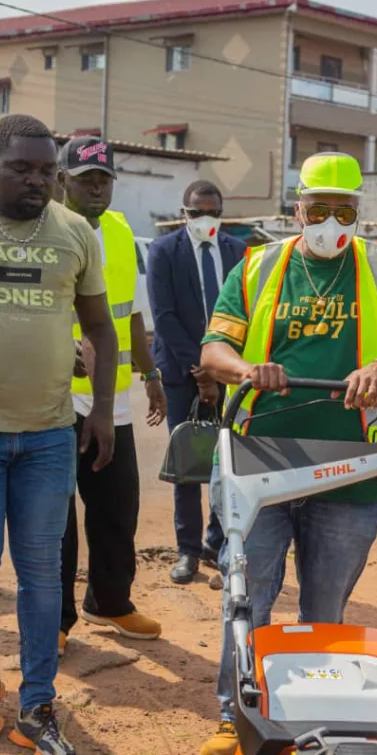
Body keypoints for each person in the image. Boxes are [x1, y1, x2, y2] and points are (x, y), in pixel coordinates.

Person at [198, 152, 377, 755]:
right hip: (261, 456)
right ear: (298, 207)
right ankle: (237, 718)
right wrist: (249, 370)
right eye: (320, 209)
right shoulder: (258, 267)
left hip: (351, 466)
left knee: (324, 606)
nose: (331, 222)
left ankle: (311, 720)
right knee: (247, 593)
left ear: (359, 212)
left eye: (345, 210)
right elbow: (214, 347)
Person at [0, 115, 117, 755]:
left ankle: (37, 706)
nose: (38, 181)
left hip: (46, 438)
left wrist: (102, 411)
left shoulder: (75, 233)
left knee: (42, 578)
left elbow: (99, 326)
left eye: (47, 170)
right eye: (23, 169)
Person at [58, 137, 167, 654]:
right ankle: (55, 619)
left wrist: (152, 374)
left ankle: (110, 603)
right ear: (64, 181)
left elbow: (134, 314)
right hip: (57, 401)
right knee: (56, 519)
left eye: (103, 178)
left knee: (117, 510)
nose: (96, 187)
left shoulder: (122, 232)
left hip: (113, 402)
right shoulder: (46, 233)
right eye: (85, 179)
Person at [147, 181, 246, 585]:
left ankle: (217, 543)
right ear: (183, 213)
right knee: (188, 463)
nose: (206, 219)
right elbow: (164, 316)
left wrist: (222, 369)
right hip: (181, 370)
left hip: (231, 370)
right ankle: (187, 550)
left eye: (214, 212)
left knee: (229, 462)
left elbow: (246, 310)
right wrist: (201, 368)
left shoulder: (238, 252)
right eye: (196, 212)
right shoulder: (163, 251)